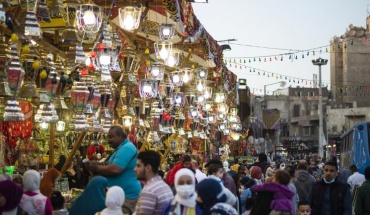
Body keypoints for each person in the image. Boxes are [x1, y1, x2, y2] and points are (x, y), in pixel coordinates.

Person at [87, 126, 141, 212]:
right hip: (119, 197)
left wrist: (97, 168)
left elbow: (116, 169)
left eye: (110, 137)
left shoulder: (126, 148)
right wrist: (101, 164)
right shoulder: (121, 148)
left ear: (119, 136)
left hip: (126, 197)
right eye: (107, 137)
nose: (108, 140)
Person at [134, 150, 174, 215]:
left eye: (138, 166)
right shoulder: (163, 185)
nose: (135, 169)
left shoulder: (149, 191)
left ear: (148, 168)